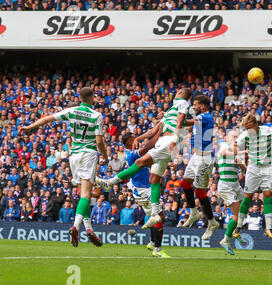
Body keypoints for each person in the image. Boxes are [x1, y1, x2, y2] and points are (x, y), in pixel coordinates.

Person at [19, 87, 106, 247]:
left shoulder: (72, 111)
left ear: (79, 97)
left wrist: (30, 127)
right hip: (88, 154)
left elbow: (47, 119)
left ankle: (89, 229)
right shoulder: (96, 115)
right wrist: (105, 157)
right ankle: (76, 226)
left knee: (82, 195)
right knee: (87, 195)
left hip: (74, 156)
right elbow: (99, 141)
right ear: (92, 97)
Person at [96, 88, 192, 232]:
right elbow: (153, 133)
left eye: (178, 92)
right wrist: (141, 137)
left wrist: (175, 138)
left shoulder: (181, 103)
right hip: (162, 147)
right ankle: (155, 229)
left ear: (180, 94)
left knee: (140, 164)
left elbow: (180, 122)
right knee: (154, 179)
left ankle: (111, 182)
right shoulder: (171, 111)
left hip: (168, 142)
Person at [121, 131, 169, 258]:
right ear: (129, 142)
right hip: (143, 190)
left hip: (141, 189)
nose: (137, 139)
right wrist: (160, 134)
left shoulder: (128, 154)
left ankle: (153, 243)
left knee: (154, 216)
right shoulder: (132, 154)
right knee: (159, 216)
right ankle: (157, 249)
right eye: (134, 138)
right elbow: (149, 146)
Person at [179, 95, 220, 240]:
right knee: (185, 183)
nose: (193, 107)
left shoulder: (206, 117)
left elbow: (185, 122)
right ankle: (193, 212)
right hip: (195, 157)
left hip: (204, 159)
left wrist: (176, 112)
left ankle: (212, 222)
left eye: (195, 105)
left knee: (200, 191)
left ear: (202, 106)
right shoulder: (201, 117)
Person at [215, 129, 247, 255]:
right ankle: (226, 239)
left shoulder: (237, 154)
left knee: (244, 210)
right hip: (226, 185)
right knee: (238, 214)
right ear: (227, 138)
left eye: (237, 137)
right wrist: (242, 152)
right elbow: (223, 153)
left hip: (235, 185)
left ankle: (235, 232)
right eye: (233, 137)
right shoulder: (224, 146)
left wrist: (242, 164)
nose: (235, 139)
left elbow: (244, 170)